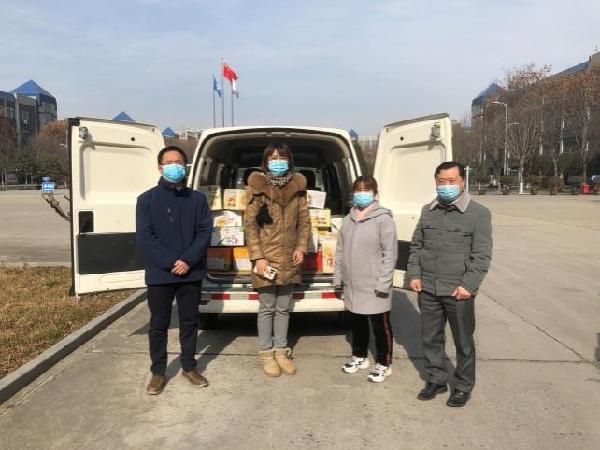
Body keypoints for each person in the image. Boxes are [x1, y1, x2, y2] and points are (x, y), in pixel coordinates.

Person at [407, 161, 492, 407]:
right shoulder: (428, 210)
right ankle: (436, 379)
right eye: (441, 181)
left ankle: (463, 386)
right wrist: (414, 275)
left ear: (463, 181)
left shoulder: (478, 214)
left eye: (452, 181)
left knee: (463, 342)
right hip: (428, 288)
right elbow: (416, 246)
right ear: (436, 182)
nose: (446, 186)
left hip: (458, 291)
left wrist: (468, 285)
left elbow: (482, 255)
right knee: (430, 338)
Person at [136, 145, 213, 395]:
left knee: (189, 322)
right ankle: (158, 372)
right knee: (159, 324)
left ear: (185, 166)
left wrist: (188, 260)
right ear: (160, 167)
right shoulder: (146, 200)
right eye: (169, 163)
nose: (174, 166)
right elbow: (145, 237)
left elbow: (204, 232)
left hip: (191, 272)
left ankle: (189, 366)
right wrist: (171, 262)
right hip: (160, 273)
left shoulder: (197, 199)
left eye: (178, 162)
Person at [244, 142, 311, 377]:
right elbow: (250, 226)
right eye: (273, 158)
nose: (278, 162)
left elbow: (304, 222)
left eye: (282, 158)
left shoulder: (297, 189)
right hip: (267, 258)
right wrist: (258, 257)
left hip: (290, 258)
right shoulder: (257, 188)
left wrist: (301, 247)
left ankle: (281, 351)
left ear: (289, 160)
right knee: (266, 308)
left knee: (283, 308)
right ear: (265, 162)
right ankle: (266, 353)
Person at [333, 176, 398, 383]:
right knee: (357, 322)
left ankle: (384, 363)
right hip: (353, 283)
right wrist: (338, 276)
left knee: (380, 326)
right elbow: (340, 250)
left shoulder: (383, 219)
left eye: (367, 190)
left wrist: (384, 282)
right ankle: (360, 356)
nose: (362, 194)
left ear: (375, 193)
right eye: (358, 190)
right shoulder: (348, 219)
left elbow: (390, 254)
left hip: (375, 283)